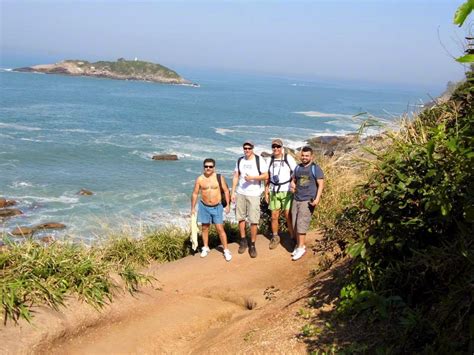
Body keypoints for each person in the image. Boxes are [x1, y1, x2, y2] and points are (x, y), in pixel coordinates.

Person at [231, 140, 268, 258]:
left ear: (253, 148)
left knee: (253, 220)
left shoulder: (259, 160)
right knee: (240, 218)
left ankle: (252, 244)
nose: (247, 150)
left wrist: (253, 177)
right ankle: (243, 241)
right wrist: (233, 192)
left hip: (254, 194)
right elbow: (236, 176)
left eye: (249, 148)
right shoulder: (240, 160)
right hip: (240, 193)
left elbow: (266, 175)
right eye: (245, 148)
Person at [191, 158, 232, 262]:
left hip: (217, 206)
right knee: (205, 227)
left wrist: (228, 205)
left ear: (214, 168)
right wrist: (192, 208)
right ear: (203, 167)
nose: (208, 168)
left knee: (220, 229)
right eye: (206, 166)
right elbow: (195, 193)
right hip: (204, 206)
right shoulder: (200, 179)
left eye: (210, 166)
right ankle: (205, 247)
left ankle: (226, 250)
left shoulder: (219, 177)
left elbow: (226, 191)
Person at [291, 146, 324, 261]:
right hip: (296, 199)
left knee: (302, 223)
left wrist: (317, 199)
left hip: (308, 200)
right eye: (303, 155)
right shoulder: (298, 168)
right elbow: (294, 179)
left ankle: (301, 248)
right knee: (295, 223)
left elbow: (321, 184)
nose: (304, 158)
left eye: (307, 156)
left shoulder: (315, 168)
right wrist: (292, 184)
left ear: (311, 156)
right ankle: (299, 245)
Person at [264, 138, 297, 249]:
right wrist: (266, 190)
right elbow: (267, 176)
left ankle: (293, 237)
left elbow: (296, 172)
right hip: (274, 191)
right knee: (274, 216)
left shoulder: (288, 158)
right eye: (274, 147)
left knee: (288, 215)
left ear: (282, 148)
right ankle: (275, 237)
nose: (276, 149)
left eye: (278, 147)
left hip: (287, 190)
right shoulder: (269, 160)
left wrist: (293, 182)